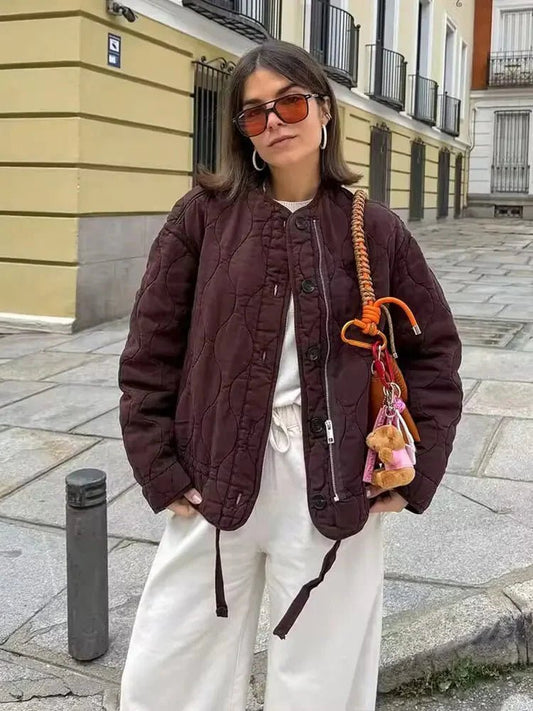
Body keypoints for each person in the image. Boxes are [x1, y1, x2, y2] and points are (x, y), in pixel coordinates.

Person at [117, 39, 462, 711]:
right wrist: (158, 465)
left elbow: (434, 353)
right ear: (242, 131)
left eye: (291, 103)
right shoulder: (202, 218)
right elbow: (150, 350)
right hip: (214, 469)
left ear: (324, 111)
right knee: (170, 668)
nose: (274, 121)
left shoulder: (377, 230)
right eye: (254, 112)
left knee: (320, 679)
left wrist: (416, 473)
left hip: (336, 477)